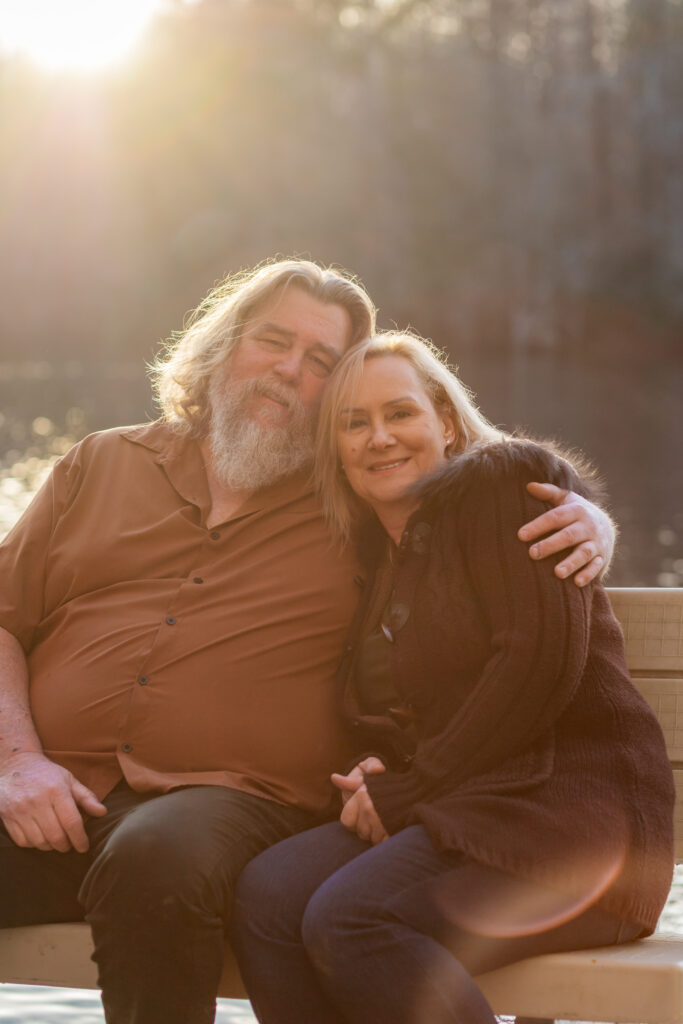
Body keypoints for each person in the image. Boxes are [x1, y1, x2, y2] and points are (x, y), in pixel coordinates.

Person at [0, 260, 615, 1024]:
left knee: (158, 860)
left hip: (226, 804)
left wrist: (587, 516)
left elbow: (469, 467)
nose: (289, 370)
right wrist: (18, 761)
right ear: (224, 346)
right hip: (47, 790)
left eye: (321, 361)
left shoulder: (353, 488)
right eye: (272, 341)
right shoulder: (101, 462)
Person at [230, 331, 675, 1024]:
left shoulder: (503, 486)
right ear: (336, 451)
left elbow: (535, 660)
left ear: (443, 421)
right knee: (268, 894)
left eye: (399, 413)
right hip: (470, 809)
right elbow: (438, 701)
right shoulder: (386, 562)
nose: (379, 437)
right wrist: (385, 767)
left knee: (352, 920)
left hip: (577, 832)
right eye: (354, 422)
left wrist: (410, 787)